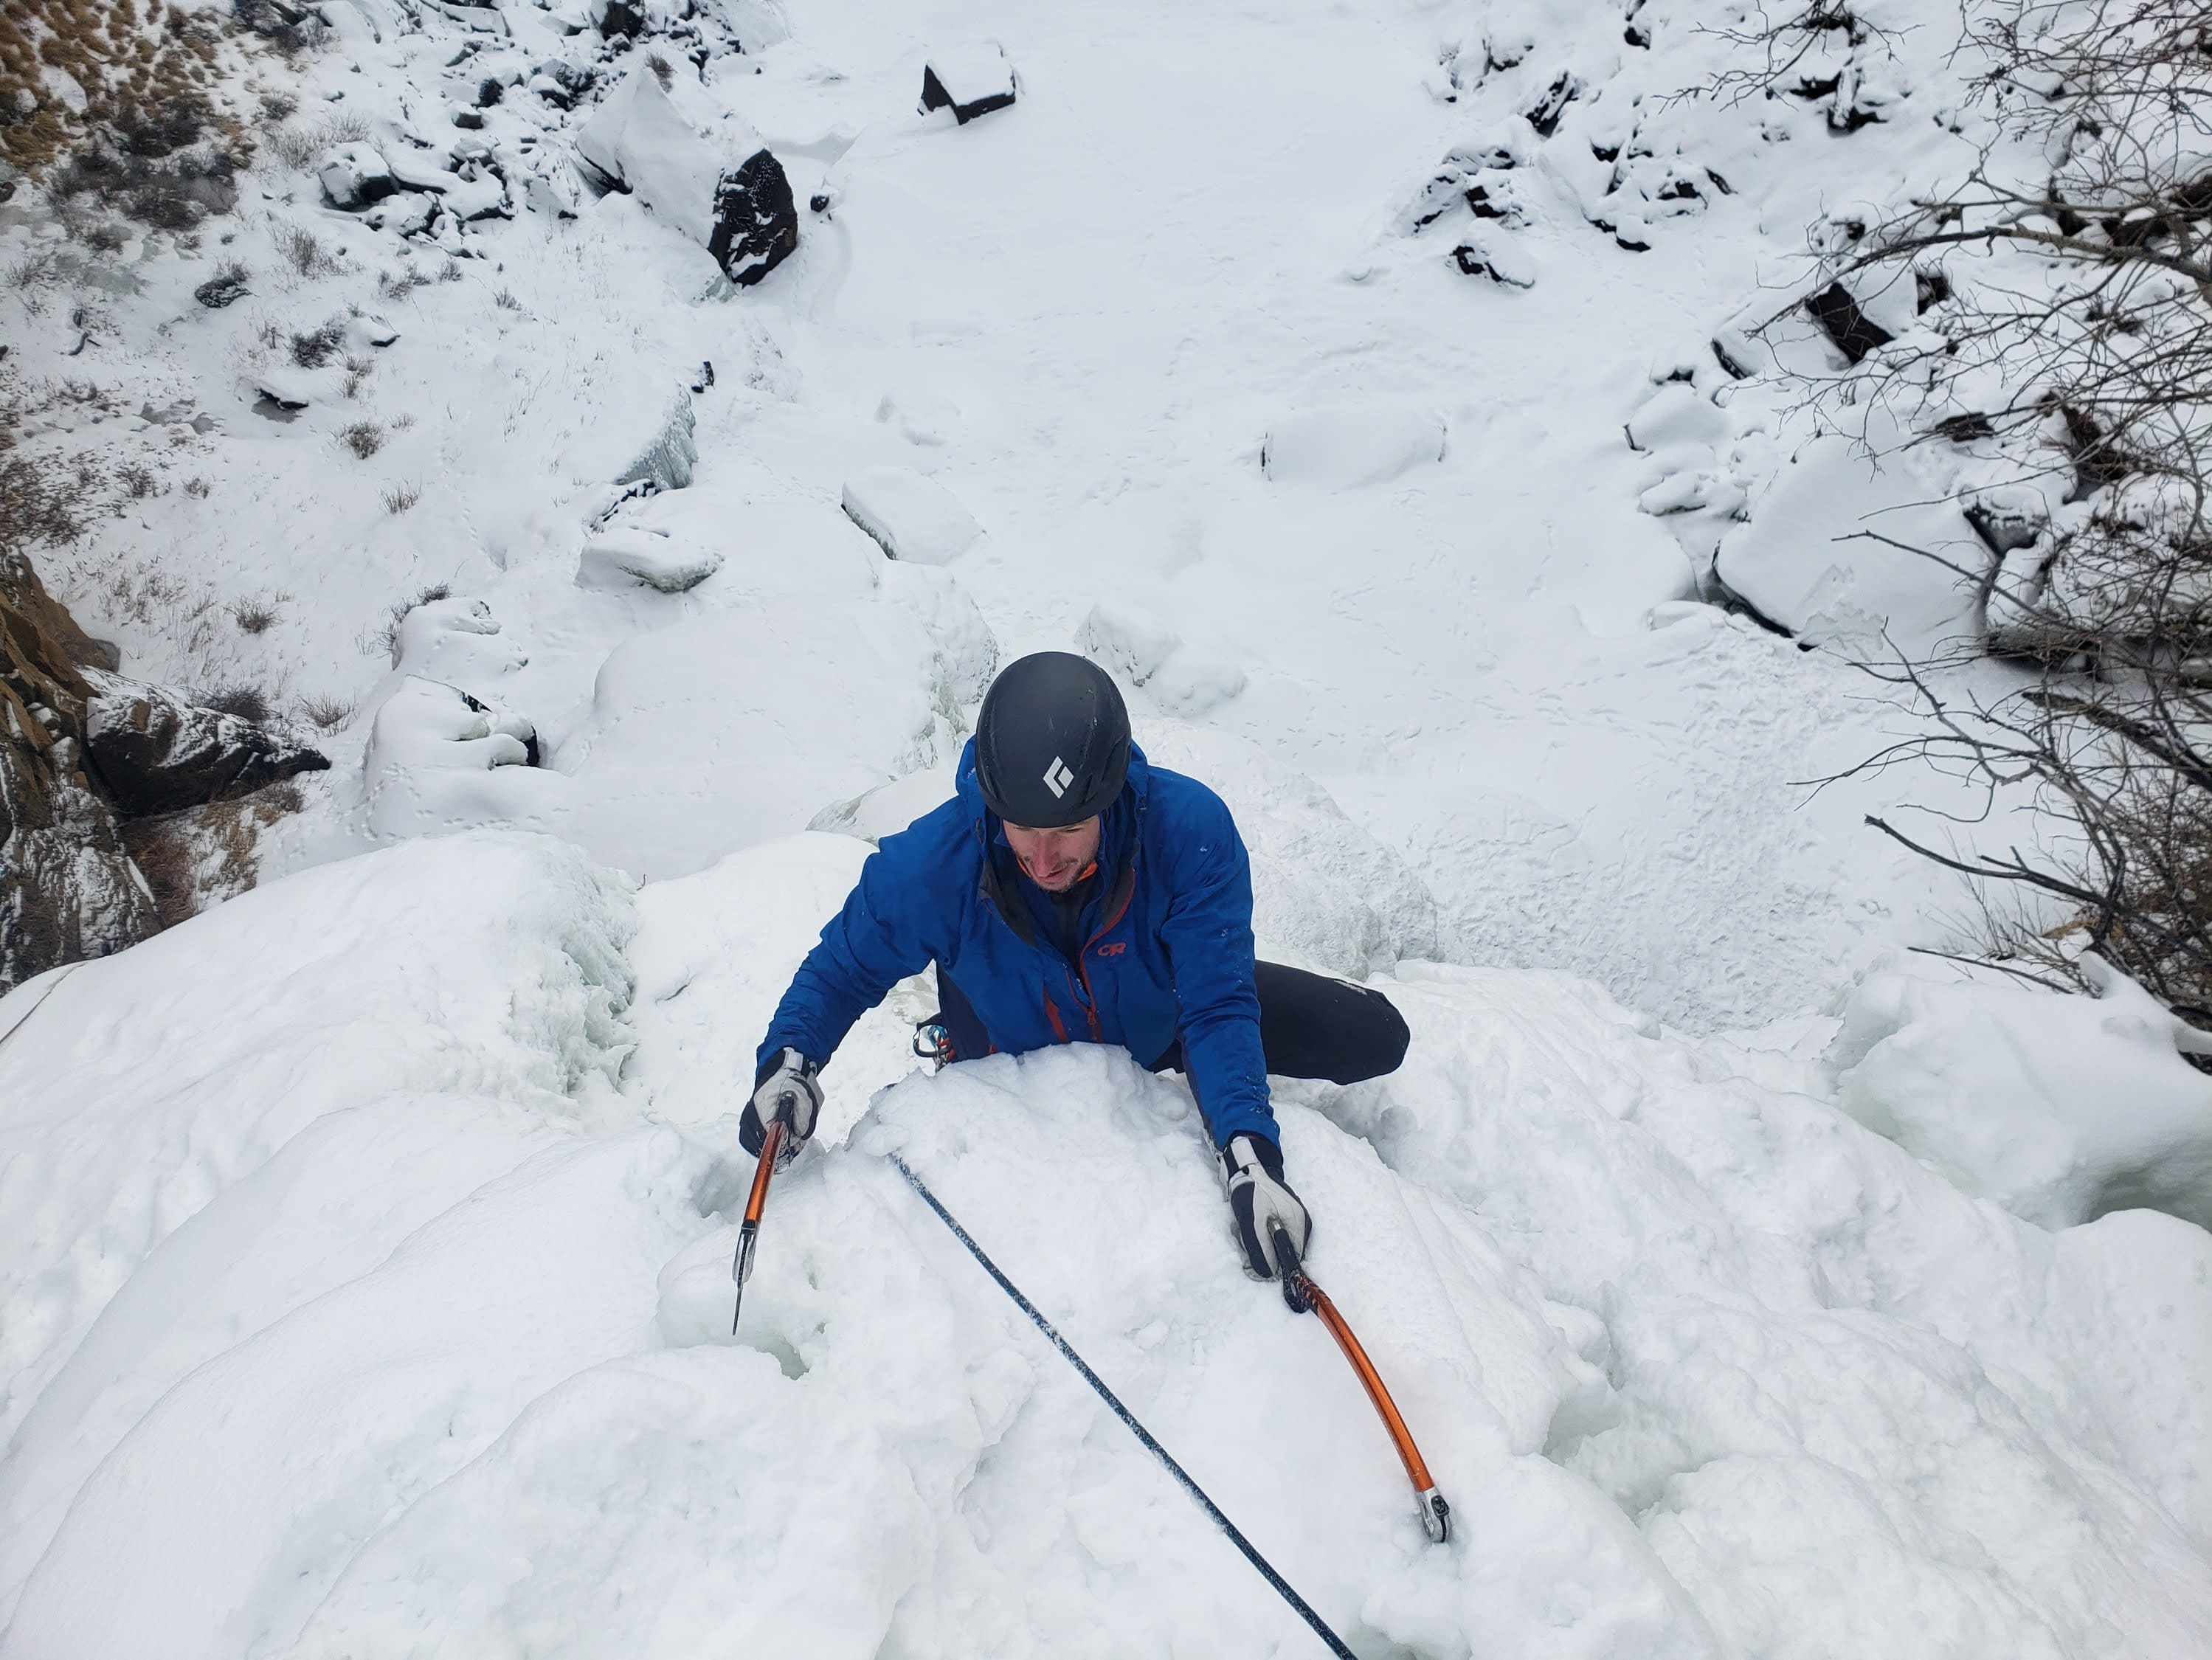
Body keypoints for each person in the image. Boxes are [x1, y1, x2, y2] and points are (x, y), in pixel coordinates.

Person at [741, 651, 1410, 1287]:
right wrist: (791, 1063)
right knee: (974, 970)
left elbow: (1216, 1010)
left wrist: (1248, 1154)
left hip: (1164, 1007)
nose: (1041, 856)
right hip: (1009, 1035)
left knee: (1376, 1037)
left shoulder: (1187, 834)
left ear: (1111, 796)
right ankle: (957, 1025)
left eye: (1066, 829)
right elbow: (843, 969)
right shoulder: (933, 863)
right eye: (1021, 827)